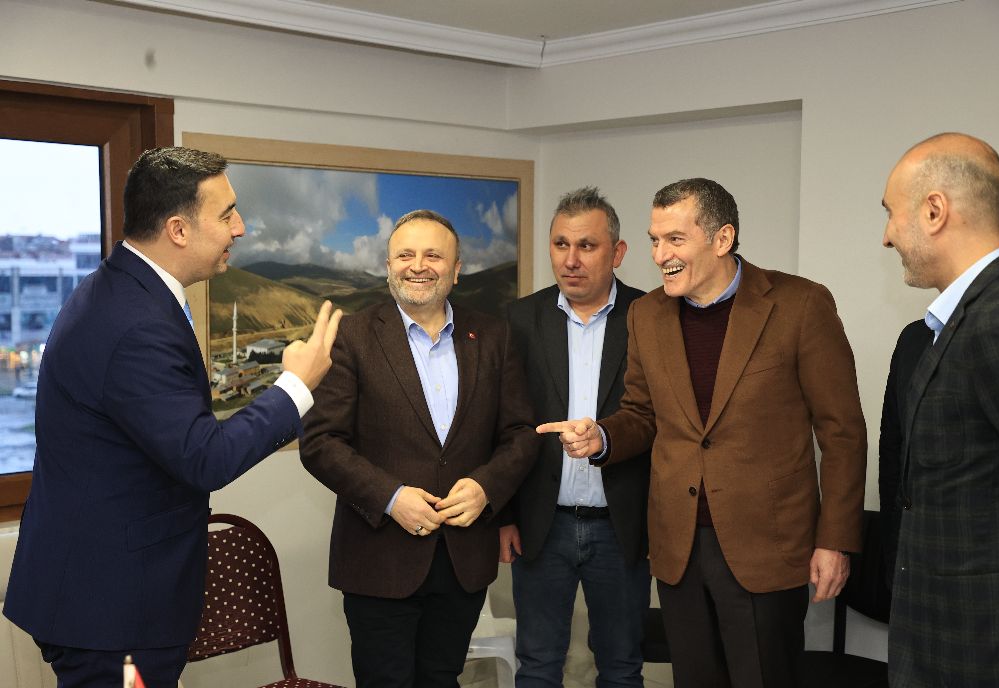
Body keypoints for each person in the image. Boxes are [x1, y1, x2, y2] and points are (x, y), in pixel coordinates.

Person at [3, 147, 342, 688]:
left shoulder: (122, 289)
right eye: (227, 214)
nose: (241, 227)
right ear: (178, 230)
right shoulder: (135, 322)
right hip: (112, 616)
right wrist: (296, 387)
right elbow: (205, 457)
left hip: (111, 597)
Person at [539, 178, 867, 688]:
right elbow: (642, 415)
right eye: (654, 240)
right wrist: (602, 437)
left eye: (675, 239)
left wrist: (835, 541)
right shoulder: (646, 315)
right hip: (679, 547)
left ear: (722, 239)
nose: (660, 255)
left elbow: (842, 433)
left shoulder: (800, 305)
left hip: (767, 545)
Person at [299, 209, 539, 688]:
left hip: (462, 560)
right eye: (405, 255)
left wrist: (486, 488)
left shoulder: (493, 336)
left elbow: (520, 432)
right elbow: (321, 442)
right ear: (388, 265)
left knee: (442, 679)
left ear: (456, 268)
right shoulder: (352, 337)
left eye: (434, 255)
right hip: (379, 560)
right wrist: (391, 498)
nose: (418, 266)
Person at [880, 133, 999, 686]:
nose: (886, 235)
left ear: (934, 210)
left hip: (988, 650)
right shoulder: (965, 317)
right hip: (946, 641)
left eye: (891, 213)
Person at [503, 187, 651, 687]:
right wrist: (504, 517)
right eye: (560, 244)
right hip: (542, 526)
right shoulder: (520, 319)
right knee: (538, 665)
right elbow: (504, 425)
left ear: (618, 252)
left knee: (622, 667)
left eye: (587, 246)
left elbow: (665, 423)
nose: (570, 260)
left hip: (622, 526)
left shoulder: (651, 317)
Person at [878, 213, 999, 588]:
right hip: (915, 561)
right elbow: (894, 448)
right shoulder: (914, 340)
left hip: (997, 575)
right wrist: (893, 544)